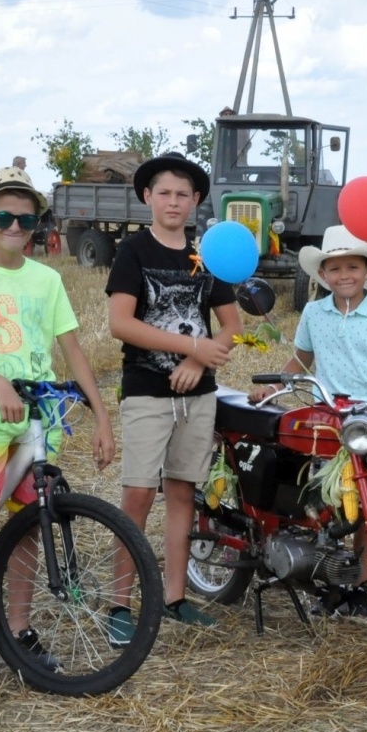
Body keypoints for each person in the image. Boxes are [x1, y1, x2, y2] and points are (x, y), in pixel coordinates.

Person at [0, 166, 114, 703]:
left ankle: (18, 631)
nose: (16, 225)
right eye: (5, 216)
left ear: (39, 222)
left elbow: (74, 351)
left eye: (26, 218)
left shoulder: (48, 279)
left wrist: (102, 415)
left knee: (30, 524)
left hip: (41, 421)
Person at [106, 152, 240, 630]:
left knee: (183, 493)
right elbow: (121, 324)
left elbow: (231, 325)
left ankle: (175, 597)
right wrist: (194, 345)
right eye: (164, 192)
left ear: (197, 201)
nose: (173, 201)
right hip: (146, 391)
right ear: (147, 197)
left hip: (197, 395)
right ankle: (120, 605)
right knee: (139, 496)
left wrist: (196, 358)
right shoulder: (134, 252)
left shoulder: (207, 256)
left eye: (183, 194)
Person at [251, 226, 367, 617]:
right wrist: (273, 385)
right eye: (335, 268)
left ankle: (361, 587)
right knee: (329, 505)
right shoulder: (313, 312)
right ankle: (329, 577)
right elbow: (302, 359)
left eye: (353, 267)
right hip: (328, 421)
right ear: (322, 275)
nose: (344, 275)